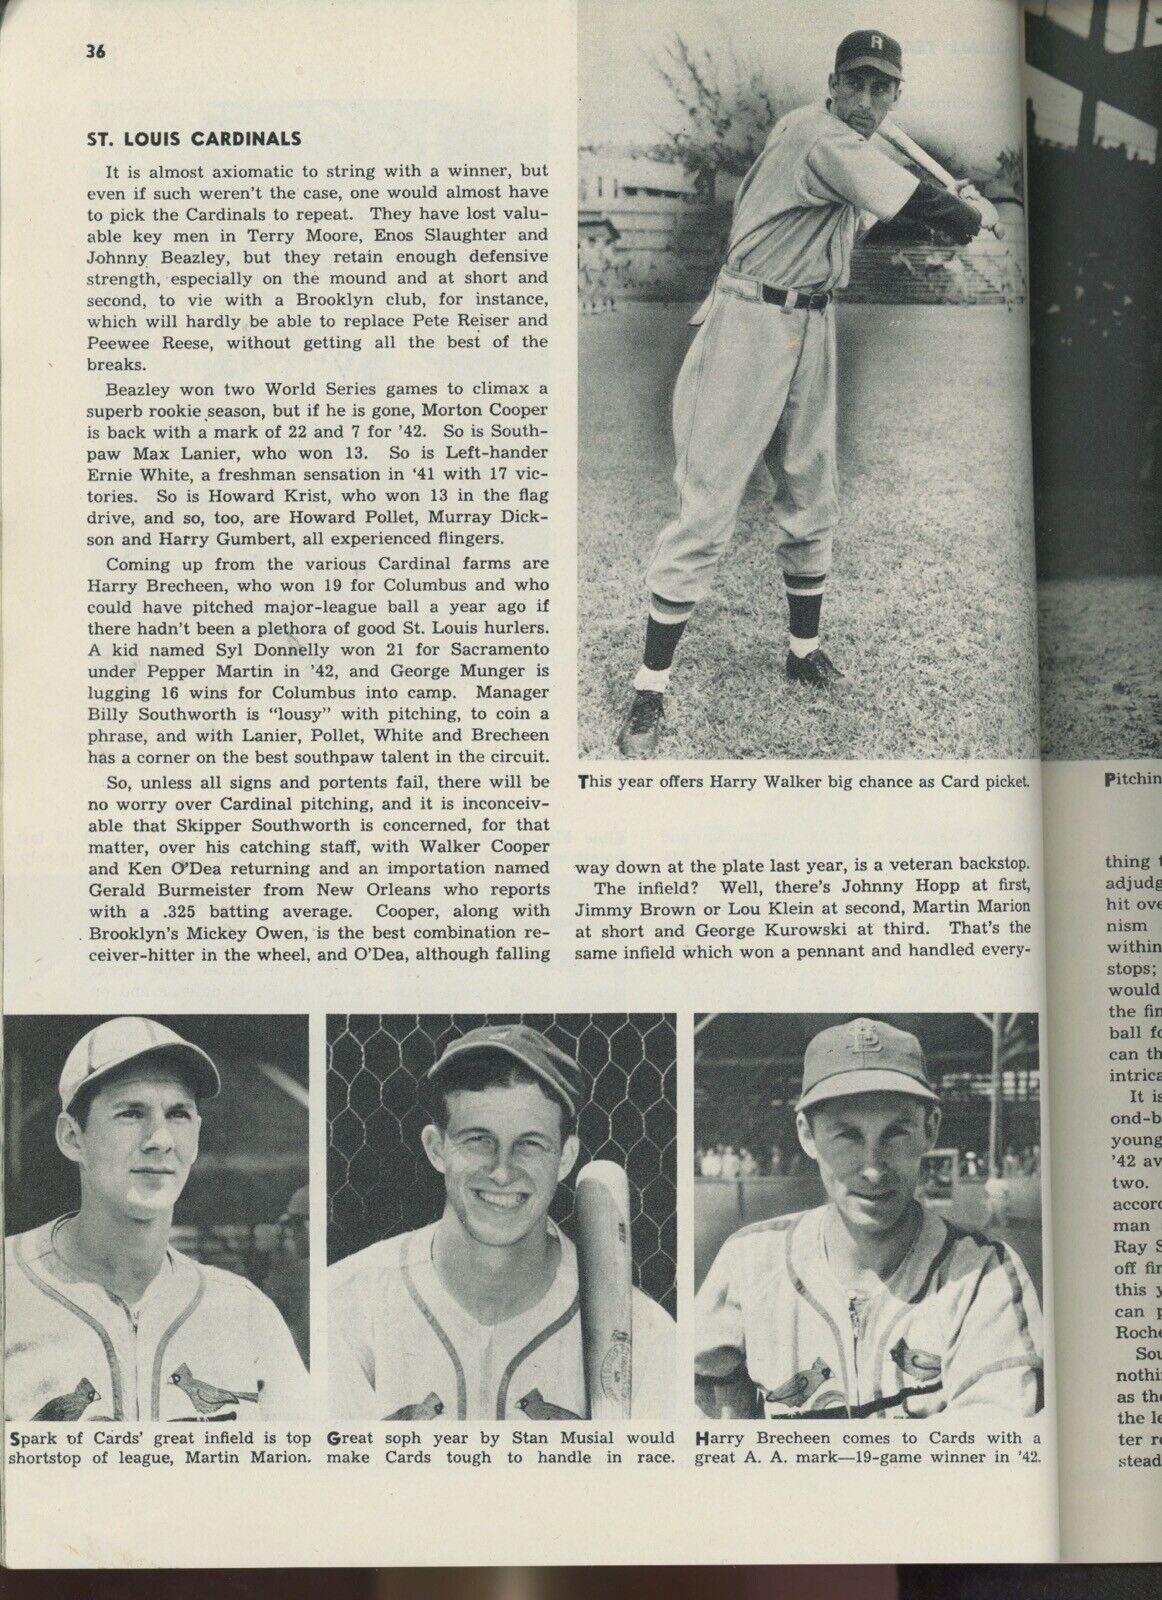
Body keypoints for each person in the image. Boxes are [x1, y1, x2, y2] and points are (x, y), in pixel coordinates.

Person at [617, 29, 990, 757]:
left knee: (811, 490)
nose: (868, 100)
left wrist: (959, 208)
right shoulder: (818, 136)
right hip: (748, 323)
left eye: (883, 88)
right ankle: (648, 690)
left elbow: (877, 227)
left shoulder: (852, 154)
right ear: (833, 84)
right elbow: (928, 208)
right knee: (709, 505)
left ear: (894, 96)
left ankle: (801, 647)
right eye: (857, 83)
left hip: (813, 324)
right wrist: (972, 212)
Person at [695, 1017, 1043, 1418]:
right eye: (848, 1135)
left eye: (895, 1133)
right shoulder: (747, 1264)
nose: (873, 1168)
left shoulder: (982, 1275)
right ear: (807, 1135)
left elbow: (991, 1456)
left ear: (930, 1130)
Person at [329, 1022, 675, 1419]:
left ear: (564, 1157)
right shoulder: (346, 1306)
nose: (502, 1171)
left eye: (529, 1144)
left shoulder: (644, 1332)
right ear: (436, 1148)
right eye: (478, 1139)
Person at [5, 1016, 311, 1421]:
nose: (160, 1140)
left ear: (197, 1134)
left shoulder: (247, 1311)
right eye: (131, 1113)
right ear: (72, 1137)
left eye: (178, 1114)